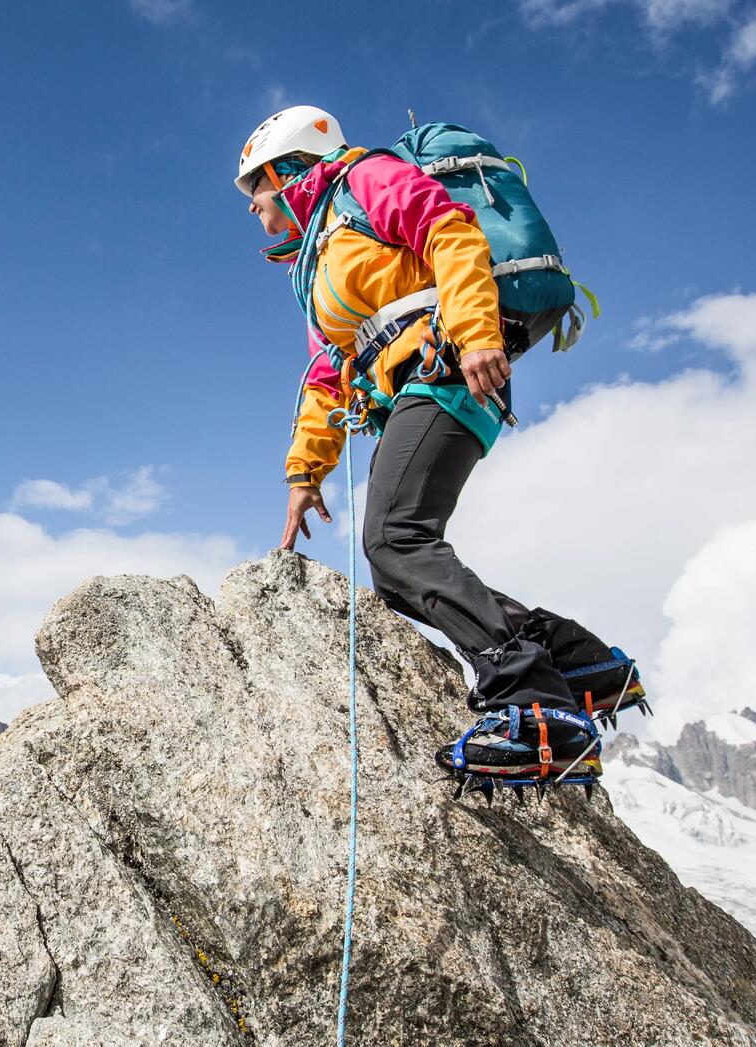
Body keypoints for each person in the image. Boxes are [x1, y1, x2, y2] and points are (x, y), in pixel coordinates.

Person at [235, 105, 646, 788]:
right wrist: (305, 472)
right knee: (400, 564)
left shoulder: (366, 180)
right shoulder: (317, 262)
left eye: (255, 187)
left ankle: (535, 703)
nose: (252, 206)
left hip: (450, 364)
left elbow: (448, 231)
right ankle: (579, 662)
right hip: (425, 381)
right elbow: (328, 372)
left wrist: (477, 329)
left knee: (396, 543)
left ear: (287, 168)